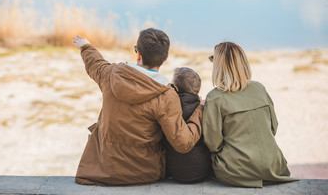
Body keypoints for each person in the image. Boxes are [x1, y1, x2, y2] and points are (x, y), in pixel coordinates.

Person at [72, 28, 203, 186]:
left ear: (138, 54)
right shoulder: (166, 96)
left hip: (103, 170)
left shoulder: (110, 75)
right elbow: (183, 143)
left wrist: (86, 46)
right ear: (165, 58)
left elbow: (95, 64)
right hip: (145, 173)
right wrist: (199, 111)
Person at [202, 41, 298, 188]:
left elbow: (213, 143)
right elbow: (274, 127)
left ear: (218, 67)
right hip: (274, 167)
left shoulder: (214, 97)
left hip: (236, 171)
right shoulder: (259, 88)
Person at [164, 67, 212, 183]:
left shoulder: (169, 107)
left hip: (173, 170)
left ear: (175, 88)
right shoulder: (203, 108)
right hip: (202, 169)